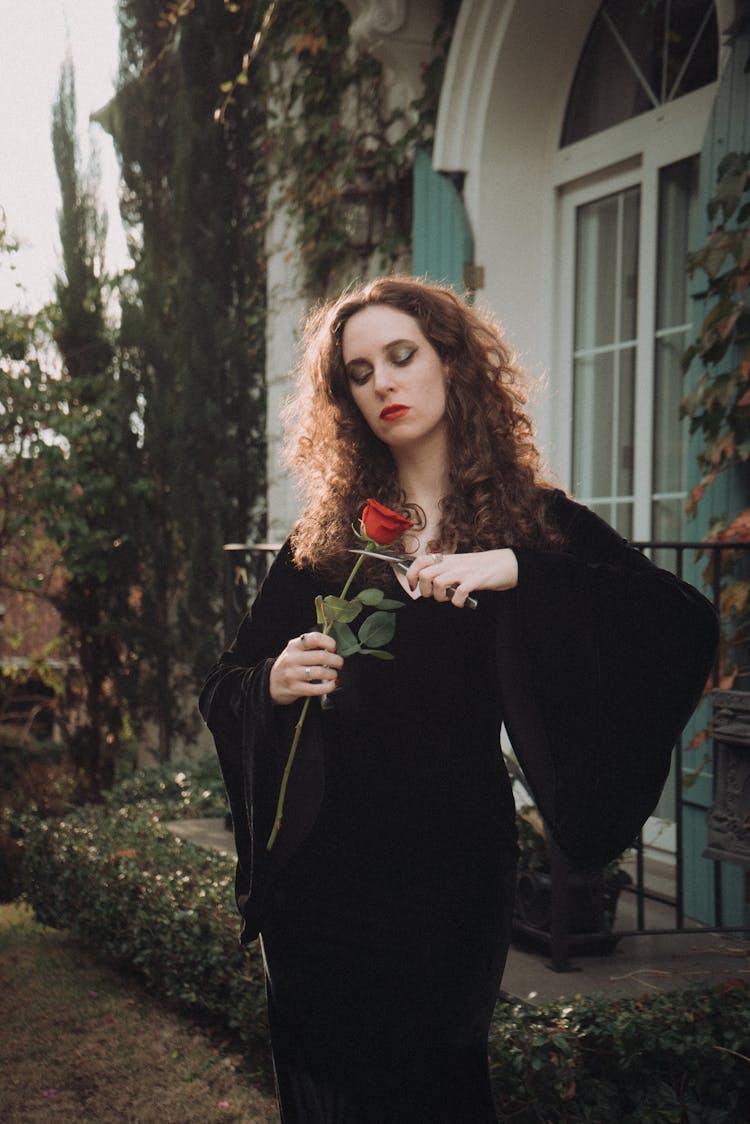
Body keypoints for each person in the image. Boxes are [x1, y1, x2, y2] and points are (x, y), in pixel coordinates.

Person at [199, 276, 718, 1123]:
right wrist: (273, 680)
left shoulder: (535, 523)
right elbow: (226, 683)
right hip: (322, 887)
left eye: (401, 357)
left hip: (451, 879)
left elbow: (678, 621)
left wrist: (518, 571)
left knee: (435, 1088)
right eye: (359, 373)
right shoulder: (331, 538)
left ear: (451, 362)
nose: (383, 385)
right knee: (332, 1091)